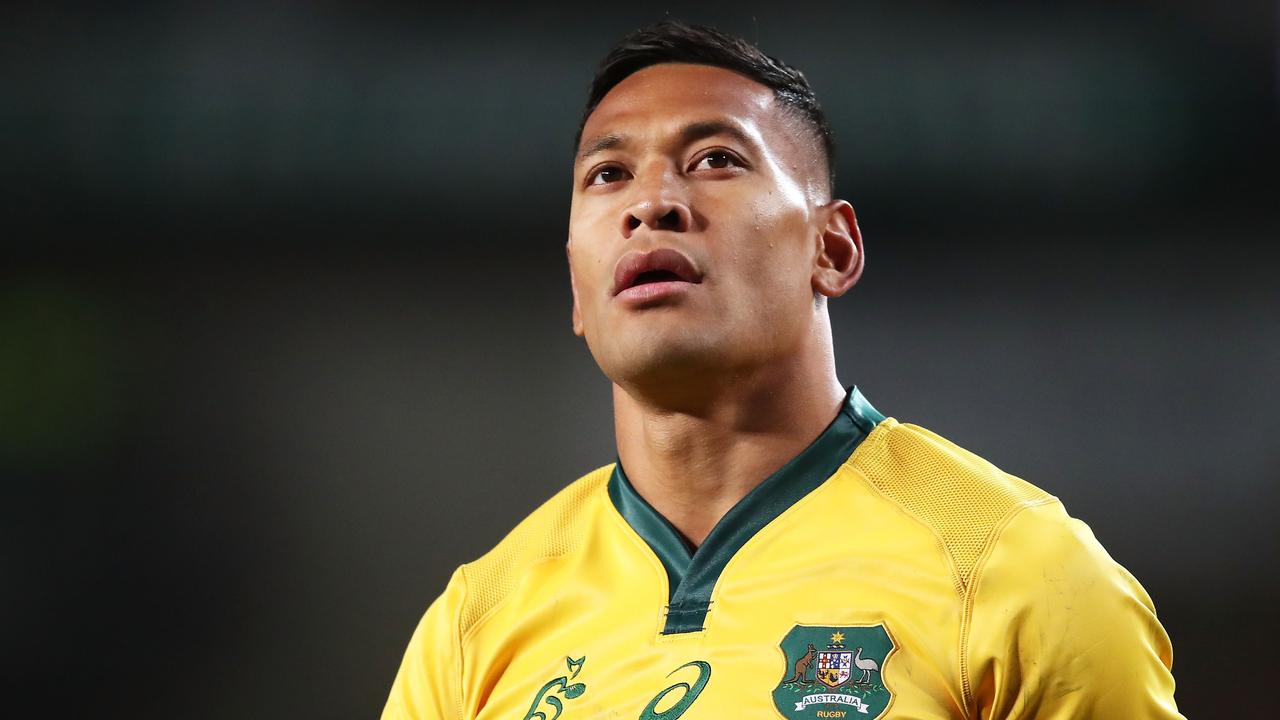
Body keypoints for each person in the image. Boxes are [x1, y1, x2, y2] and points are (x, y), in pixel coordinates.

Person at [382, 21, 1182, 720]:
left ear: (831, 250)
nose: (650, 202)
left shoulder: (1016, 573)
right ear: (578, 291)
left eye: (715, 159)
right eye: (608, 175)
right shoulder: (473, 627)